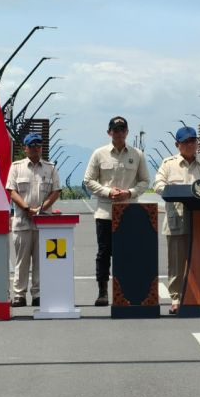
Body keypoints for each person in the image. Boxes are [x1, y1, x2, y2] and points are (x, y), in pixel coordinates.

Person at [153, 126, 200, 315]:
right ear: (177, 145)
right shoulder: (168, 164)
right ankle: (176, 299)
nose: (190, 145)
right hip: (177, 219)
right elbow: (158, 184)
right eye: (186, 142)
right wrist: (178, 191)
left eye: (193, 141)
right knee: (176, 263)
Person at [83, 116, 149, 306]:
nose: (119, 133)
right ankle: (103, 292)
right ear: (109, 132)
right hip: (105, 212)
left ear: (127, 132)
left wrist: (129, 192)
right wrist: (108, 191)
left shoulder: (137, 155)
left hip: (130, 212)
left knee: (128, 254)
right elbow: (88, 180)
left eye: (122, 129)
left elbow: (145, 181)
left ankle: (127, 291)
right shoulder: (99, 154)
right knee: (104, 253)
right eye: (115, 129)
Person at [6, 132, 61, 307]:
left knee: (40, 261)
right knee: (21, 261)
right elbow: (11, 190)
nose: (35, 149)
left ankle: (38, 293)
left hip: (43, 222)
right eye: (32, 146)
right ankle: (19, 295)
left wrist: (41, 209)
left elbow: (56, 191)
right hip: (22, 221)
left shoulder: (50, 167)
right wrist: (26, 208)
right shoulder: (16, 167)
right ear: (25, 148)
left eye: (38, 146)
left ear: (41, 148)